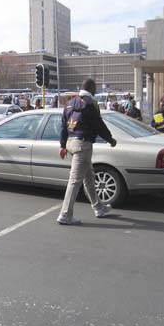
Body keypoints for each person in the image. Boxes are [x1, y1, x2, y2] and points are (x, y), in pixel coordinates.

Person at [58, 78, 117, 225]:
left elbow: (63, 126)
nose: (96, 90)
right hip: (82, 145)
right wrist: (110, 139)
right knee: (75, 181)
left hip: (71, 143)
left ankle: (99, 207)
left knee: (89, 176)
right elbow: (98, 124)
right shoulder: (91, 104)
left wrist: (62, 145)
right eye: (95, 88)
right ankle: (65, 215)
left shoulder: (69, 103)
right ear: (91, 88)